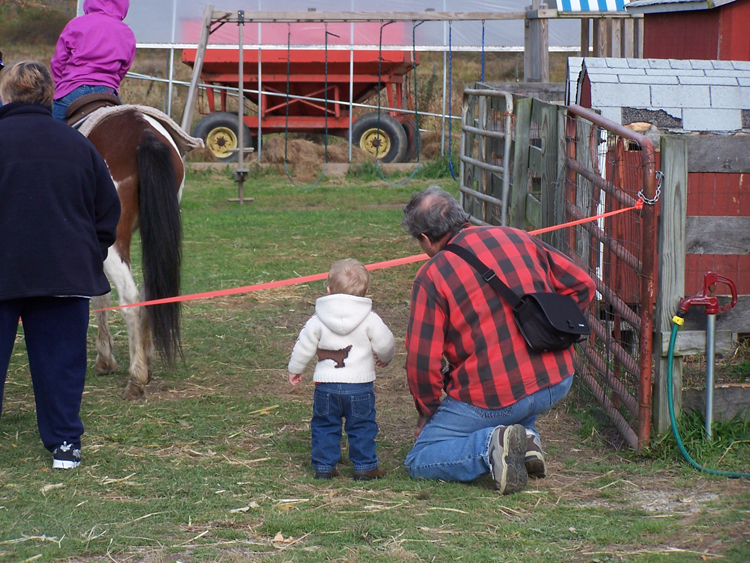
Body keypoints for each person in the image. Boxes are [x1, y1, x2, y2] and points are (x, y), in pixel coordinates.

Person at [401, 186, 595, 495]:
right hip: (557, 378)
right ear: (460, 214)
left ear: (425, 239)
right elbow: (583, 284)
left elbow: (421, 362)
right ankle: (525, 438)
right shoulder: (518, 236)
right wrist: (554, 334)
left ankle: (492, 445)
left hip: (494, 396)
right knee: (518, 397)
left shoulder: (432, 275)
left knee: (420, 458)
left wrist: (427, 410)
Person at [0, 61, 121, 469]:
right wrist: (88, 253)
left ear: (6, 95)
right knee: (61, 361)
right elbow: (108, 211)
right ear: (50, 96)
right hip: (64, 270)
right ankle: (65, 443)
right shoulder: (78, 145)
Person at [288, 259, 396, 481]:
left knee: (325, 424)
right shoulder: (370, 318)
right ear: (366, 291)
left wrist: (296, 368)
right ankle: (365, 467)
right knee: (363, 425)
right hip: (359, 386)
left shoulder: (317, 319)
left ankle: (324, 467)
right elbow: (386, 343)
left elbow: (304, 345)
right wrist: (385, 358)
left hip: (326, 385)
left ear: (328, 289)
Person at [50, 0, 136, 121]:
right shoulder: (127, 32)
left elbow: (58, 62)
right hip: (108, 91)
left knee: (51, 133)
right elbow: (124, 68)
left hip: (72, 89)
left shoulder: (76, 24)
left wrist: (59, 87)